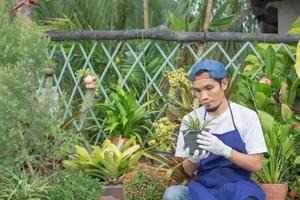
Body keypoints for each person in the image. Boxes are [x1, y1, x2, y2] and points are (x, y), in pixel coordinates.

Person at [163, 60, 267, 200]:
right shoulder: (190, 120)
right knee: (173, 194)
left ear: (224, 84)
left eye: (209, 88)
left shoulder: (246, 116)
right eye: (198, 91)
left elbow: (256, 164)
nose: (203, 96)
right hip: (204, 188)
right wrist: (194, 159)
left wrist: (225, 150)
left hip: (238, 188)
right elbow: (187, 171)